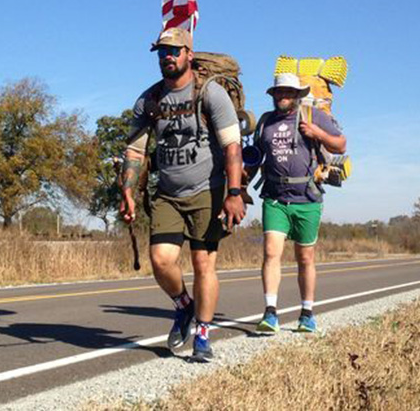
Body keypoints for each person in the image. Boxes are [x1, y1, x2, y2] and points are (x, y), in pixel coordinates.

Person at [120, 27, 246, 362]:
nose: (168, 57)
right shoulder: (149, 100)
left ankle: (203, 335)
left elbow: (233, 147)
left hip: (208, 189)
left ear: (189, 54)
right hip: (168, 192)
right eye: (162, 52)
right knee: (161, 261)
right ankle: (184, 306)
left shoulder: (210, 93)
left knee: (203, 263)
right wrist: (128, 192)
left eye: (174, 51)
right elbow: (135, 151)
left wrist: (234, 193)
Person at [247, 73, 346, 333]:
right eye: (279, 92)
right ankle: (270, 313)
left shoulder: (314, 116)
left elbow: (341, 145)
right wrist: (239, 190)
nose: (282, 96)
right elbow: (256, 158)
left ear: (298, 95)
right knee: (271, 252)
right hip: (275, 198)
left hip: (308, 197)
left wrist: (317, 133)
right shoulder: (266, 122)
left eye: (288, 92)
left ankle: (307, 313)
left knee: (305, 258)